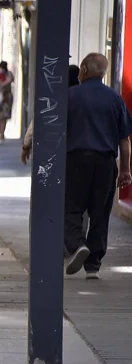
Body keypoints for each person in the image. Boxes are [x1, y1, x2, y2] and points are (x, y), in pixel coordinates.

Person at [64, 53, 132, 280]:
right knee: (100, 212)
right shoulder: (115, 99)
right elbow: (124, 140)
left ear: (83, 69)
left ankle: (76, 245)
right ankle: (93, 264)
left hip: (76, 159)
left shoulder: (69, 96)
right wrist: (125, 170)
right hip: (105, 162)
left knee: (71, 207)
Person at [21, 65, 80, 164]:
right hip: (78, 150)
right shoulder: (82, 98)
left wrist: (26, 147)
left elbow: (35, 124)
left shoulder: (54, 98)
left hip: (55, 149)